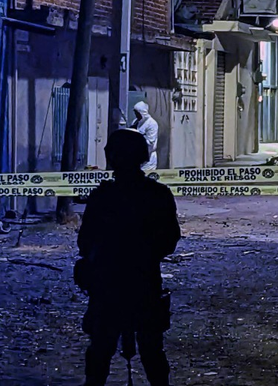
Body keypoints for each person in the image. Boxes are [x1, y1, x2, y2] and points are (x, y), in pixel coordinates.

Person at [76, 128, 181, 386]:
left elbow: (85, 241)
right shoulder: (157, 194)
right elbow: (169, 241)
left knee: (101, 350)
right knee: (151, 350)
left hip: (107, 284)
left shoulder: (103, 196)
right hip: (144, 281)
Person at [131, 102, 160, 171]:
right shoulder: (135, 122)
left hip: (148, 159)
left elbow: (150, 142)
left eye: (137, 113)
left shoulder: (151, 124)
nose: (136, 115)